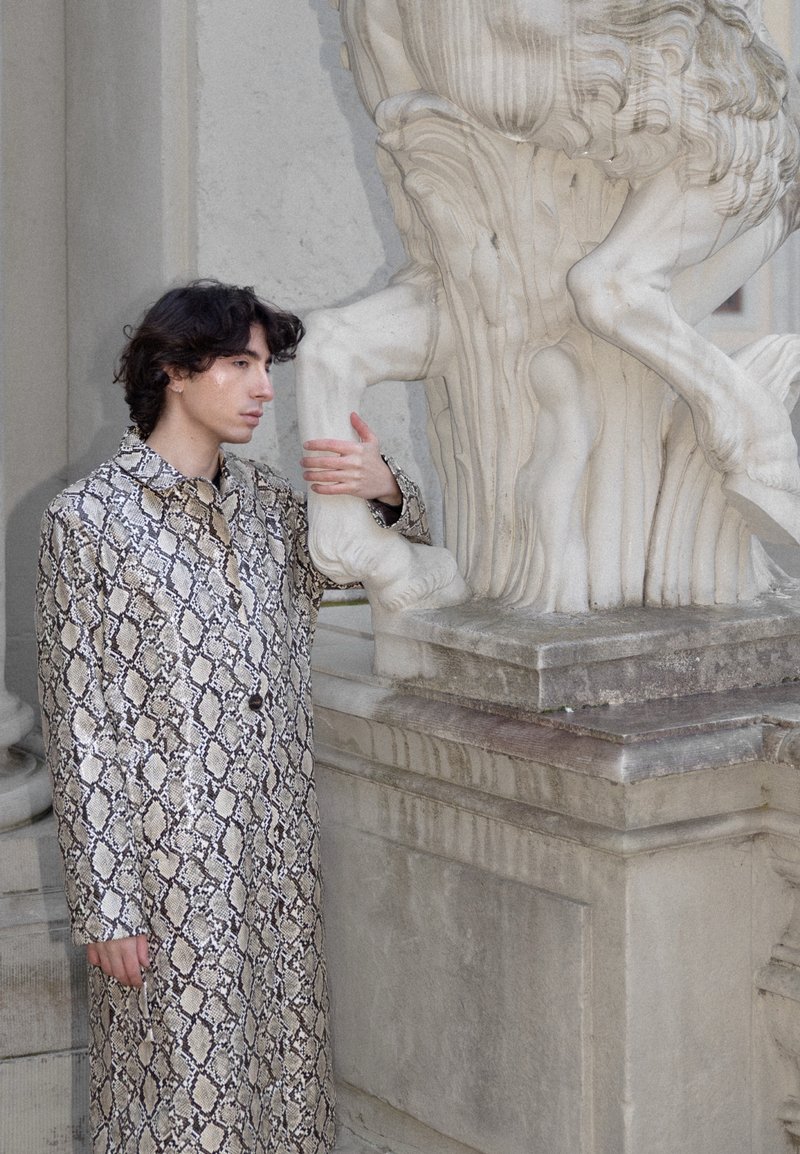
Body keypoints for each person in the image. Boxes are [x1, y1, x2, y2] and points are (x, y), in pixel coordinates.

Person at [35, 279, 432, 1154]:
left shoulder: (272, 510)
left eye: (267, 367)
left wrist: (387, 488)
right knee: (177, 1102)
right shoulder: (89, 522)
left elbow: (404, 557)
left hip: (279, 854)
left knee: (285, 1085)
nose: (264, 387)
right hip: (168, 867)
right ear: (177, 371)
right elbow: (82, 726)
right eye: (241, 364)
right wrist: (109, 903)